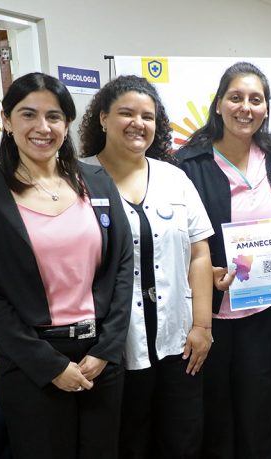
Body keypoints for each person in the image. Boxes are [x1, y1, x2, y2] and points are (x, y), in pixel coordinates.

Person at [0, 72, 133, 459]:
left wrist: (107, 349)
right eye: (28, 114)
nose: (43, 127)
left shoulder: (97, 182)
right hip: (31, 365)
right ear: (7, 121)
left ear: (67, 122)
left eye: (54, 116)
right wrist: (48, 365)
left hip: (100, 359)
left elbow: (123, 266)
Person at [79, 75, 214, 457]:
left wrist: (202, 326)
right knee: (127, 442)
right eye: (127, 113)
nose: (138, 123)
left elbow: (200, 253)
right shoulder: (78, 178)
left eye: (148, 116)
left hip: (179, 341)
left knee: (182, 439)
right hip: (112, 345)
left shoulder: (174, 178)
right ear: (103, 118)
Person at [176, 61, 271, 458]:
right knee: (216, 414)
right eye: (236, 97)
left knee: (260, 409)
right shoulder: (188, 163)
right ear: (219, 103)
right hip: (210, 312)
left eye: (256, 100)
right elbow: (174, 238)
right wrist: (201, 269)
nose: (246, 107)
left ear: (266, 107)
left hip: (263, 306)